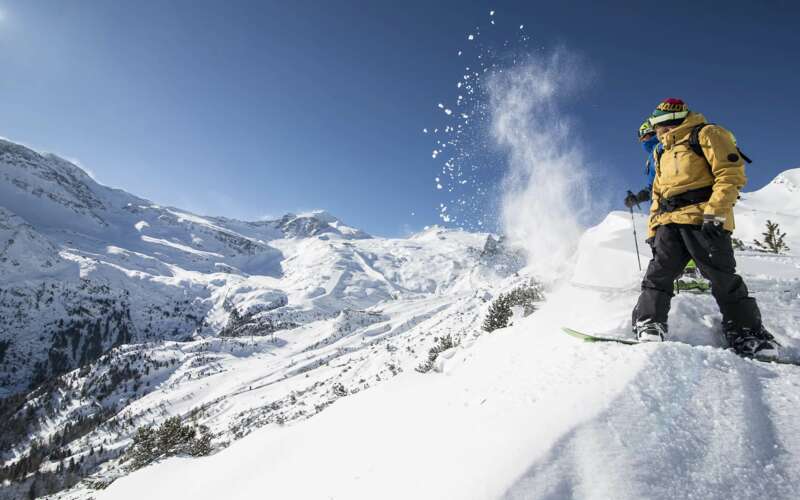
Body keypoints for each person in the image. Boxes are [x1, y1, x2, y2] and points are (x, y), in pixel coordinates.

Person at [631, 98, 779, 359]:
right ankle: (649, 322)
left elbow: (730, 174)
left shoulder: (707, 134)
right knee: (658, 275)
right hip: (669, 222)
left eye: (658, 128)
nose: (656, 134)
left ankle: (747, 333)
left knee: (722, 277)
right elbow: (657, 195)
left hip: (703, 219)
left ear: (670, 122)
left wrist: (716, 212)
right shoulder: (661, 151)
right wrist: (653, 231)